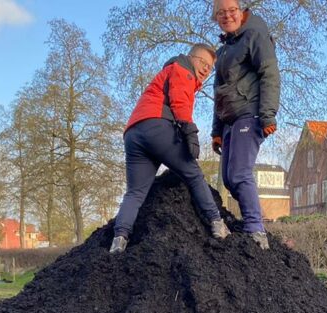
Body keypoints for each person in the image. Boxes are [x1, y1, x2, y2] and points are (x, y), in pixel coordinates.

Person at [109, 44, 229, 254]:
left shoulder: (169, 71)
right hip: (157, 126)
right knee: (193, 174)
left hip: (134, 133)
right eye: (202, 62)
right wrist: (190, 132)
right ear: (191, 57)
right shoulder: (182, 69)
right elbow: (180, 102)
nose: (205, 69)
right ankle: (217, 223)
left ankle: (119, 239)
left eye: (209, 67)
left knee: (135, 192)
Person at [210, 0, 280, 250]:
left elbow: (269, 73)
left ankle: (255, 230)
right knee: (229, 179)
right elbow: (219, 93)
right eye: (221, 13)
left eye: (232, 10)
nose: (227, 16)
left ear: (241, 11)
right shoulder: (223, 51)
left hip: (250, 114)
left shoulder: (255, 35)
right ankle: (252, 221)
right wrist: (216, 131)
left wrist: (268, 115)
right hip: (229, 120)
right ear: (216, 18)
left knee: (239, 173)